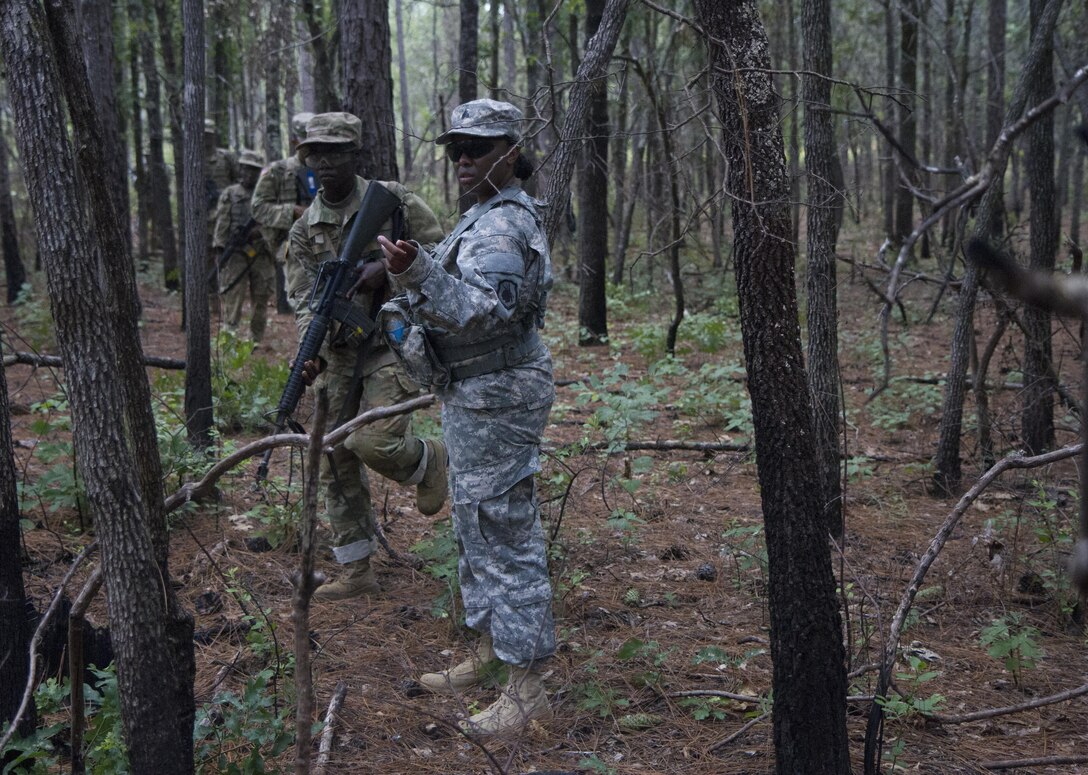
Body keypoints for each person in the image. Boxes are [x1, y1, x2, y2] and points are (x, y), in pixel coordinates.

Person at [377, 98, 555, 737]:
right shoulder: (480, 216)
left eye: (476, 148)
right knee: (475, 524)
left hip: (499, 392)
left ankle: (528, 682)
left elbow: (485, 312)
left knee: (502, 527)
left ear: (510, 152)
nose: (462, 160)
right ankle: (487, 651)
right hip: (473, 391)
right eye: (455, 148)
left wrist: (415, 271)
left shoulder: (506, 225)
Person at [286, 111, 448, 600]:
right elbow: (300, 300)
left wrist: (388, 269)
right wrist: (308, 350)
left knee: (371, 442)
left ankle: (428, 460)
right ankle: (356, 570)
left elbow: (442, 252)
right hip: (337, 354)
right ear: (307, 160)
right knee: (334, 456)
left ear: (355, 155)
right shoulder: (303, 230)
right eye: (317, 154)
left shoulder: (392, 201)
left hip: (391, 344)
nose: (326, 163)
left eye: (337, 153)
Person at [251, 111, 318, 314]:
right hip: (294, 248)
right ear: (294, 140)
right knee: (305, 308)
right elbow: (258, 208)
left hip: (332, 246)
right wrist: (293, 211)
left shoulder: (329, 168)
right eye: (306, 142)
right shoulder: (277, 171)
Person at [212, 149, 274, 342]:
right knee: (233, 296)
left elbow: (275, 221)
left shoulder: (267, 195)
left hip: (262, 253)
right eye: (246, 169)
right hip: (237, 254)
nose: (249, 174)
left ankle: (255, 339)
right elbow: (222, 222)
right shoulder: (230, 193)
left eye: (254, 170)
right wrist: (220, 248)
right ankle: (229, 337)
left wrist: (261, 233)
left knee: (261, 297)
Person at [205, 119, 238, 293]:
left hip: (224, 215)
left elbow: (238, 182)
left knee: (226, 256)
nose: (207, 138)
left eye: (210, 134)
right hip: (203, 217)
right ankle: (210, 295)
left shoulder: (225, 157)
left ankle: (226, 292)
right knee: (206, 260)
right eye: (204, 134)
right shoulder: (193, 159)